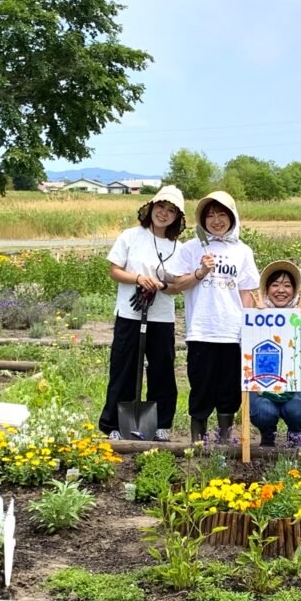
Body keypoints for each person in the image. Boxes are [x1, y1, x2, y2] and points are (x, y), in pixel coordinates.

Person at [98, 185, 187, 442]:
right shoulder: (131, 236)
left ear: (177, 218)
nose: (164, 213)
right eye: (161, 207)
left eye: (171, 211)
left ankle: (160, 424)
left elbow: (177, 286)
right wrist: (138, 278)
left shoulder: (177, 247)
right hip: (130, 313)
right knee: (123, 368)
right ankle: (113, 423)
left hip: (161, 317)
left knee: (162, 370)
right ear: (151, 207)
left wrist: (162, 285)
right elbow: (115, 270)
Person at [170, 190, 259, 443]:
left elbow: (246, 291)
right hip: (202, 329)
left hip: (231, 332)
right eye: (210, 215)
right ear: (202, 220)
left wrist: (245, 327)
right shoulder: (190, 248)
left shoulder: (242, 251)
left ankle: (224, 439)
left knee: (228, 387)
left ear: (232, 217)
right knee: (201, 385)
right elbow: (177, 283)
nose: (216, 220)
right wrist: (200, 271)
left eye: (222, 214)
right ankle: (197, 441)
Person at [250, 260, 301, 447]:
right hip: (264, 383)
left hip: (295, 384)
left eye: (287, 285)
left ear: (294, 290)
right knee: (263, 411)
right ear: (267, 289)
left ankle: (295, 437)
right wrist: (257, 319)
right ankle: (267, 435)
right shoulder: (253, 316)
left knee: (298, 408)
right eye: (275, 285)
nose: (281, 290)